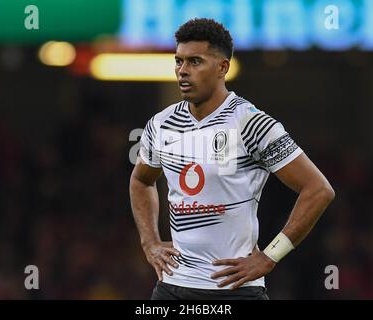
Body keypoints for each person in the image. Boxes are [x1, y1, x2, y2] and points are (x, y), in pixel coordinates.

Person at [129, 18, 335, 300]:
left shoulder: (251, 124)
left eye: (195, 62)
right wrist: (149, 241)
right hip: (173, 288)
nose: (182, 71)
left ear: (222, 67)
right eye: (179, 62)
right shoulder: (162, 124)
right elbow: (141, 180)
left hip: (235, 289)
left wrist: (270, 257)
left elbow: (318, 189)